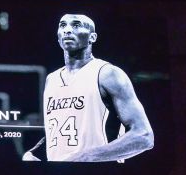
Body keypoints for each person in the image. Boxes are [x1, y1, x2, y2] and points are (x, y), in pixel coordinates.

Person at [23, 13, 154, 162]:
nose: (67, 30)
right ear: (58, 37)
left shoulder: (108, 73)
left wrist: (86, 156)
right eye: (62, 25)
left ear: (92, 37)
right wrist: (34, 152)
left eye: (76, 25)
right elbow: (63, 129)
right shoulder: (51, 79)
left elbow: (144, 136)